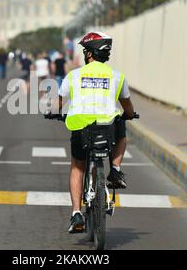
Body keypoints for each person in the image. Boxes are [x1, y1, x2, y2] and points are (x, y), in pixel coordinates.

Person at [54, 31, 136, 233]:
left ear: (89, 54)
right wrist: (130, 114)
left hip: (81, 127)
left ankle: (76, 213)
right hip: (107, 127)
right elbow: (127, 106)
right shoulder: (117, 76)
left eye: (85, 51)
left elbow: (58, 102)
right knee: (122, 131)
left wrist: (54, 112)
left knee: (78, 167)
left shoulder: (74, 76)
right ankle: (115, 169)